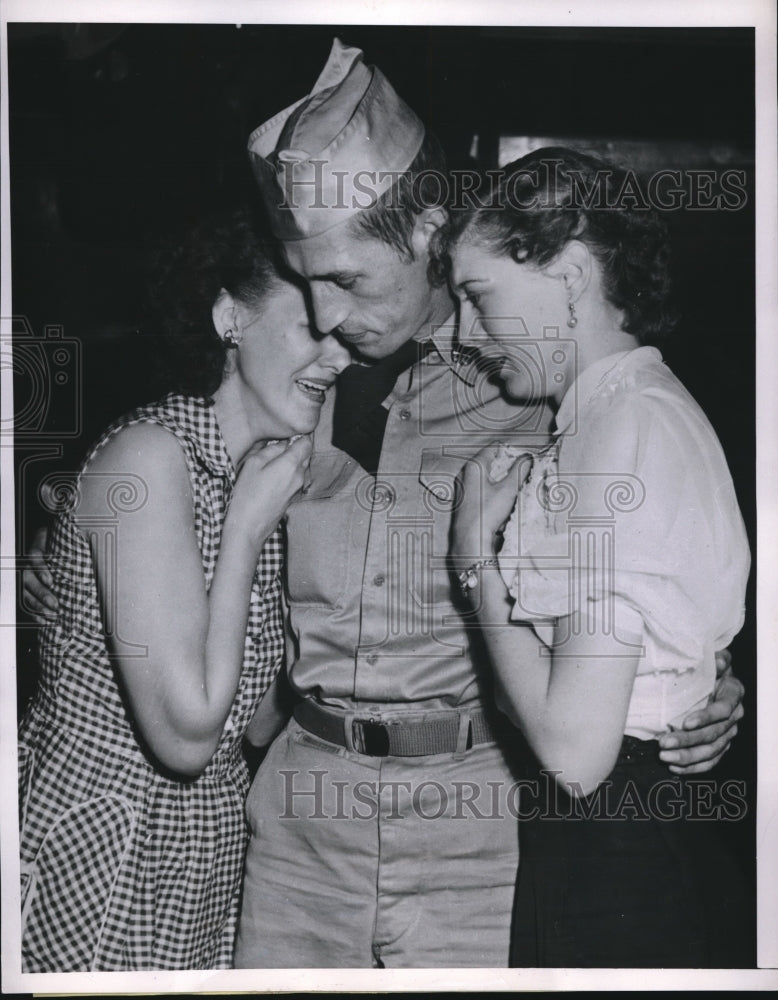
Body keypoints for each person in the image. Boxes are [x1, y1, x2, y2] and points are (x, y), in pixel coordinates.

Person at [24, 40, 746, 970]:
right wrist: (66, 575)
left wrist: (700, 681)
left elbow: (658, 545)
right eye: (306, 283)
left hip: (478, 831)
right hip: (295, 835)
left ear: (427, 236)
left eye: (347, 280)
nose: (326, 317)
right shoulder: (292, 387)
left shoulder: (541, 388)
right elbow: (156, 505)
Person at [16, 207, 350, 971]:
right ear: (230, 317)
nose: (337, 355)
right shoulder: (149, 458)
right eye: (310, 326)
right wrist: (244, 535)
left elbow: (252, 727)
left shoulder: (261, 476)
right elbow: (188, 738)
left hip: (200, 855)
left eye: (341, 332)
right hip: (100, 846)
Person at [442, 147, 752, 966]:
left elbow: (575, 755)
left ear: (572, 274)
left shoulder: (621, 431)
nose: (465, 335)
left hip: (618, 845)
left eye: (479, 296)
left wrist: (475, 561)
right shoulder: (620, 414)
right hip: (616, 836)